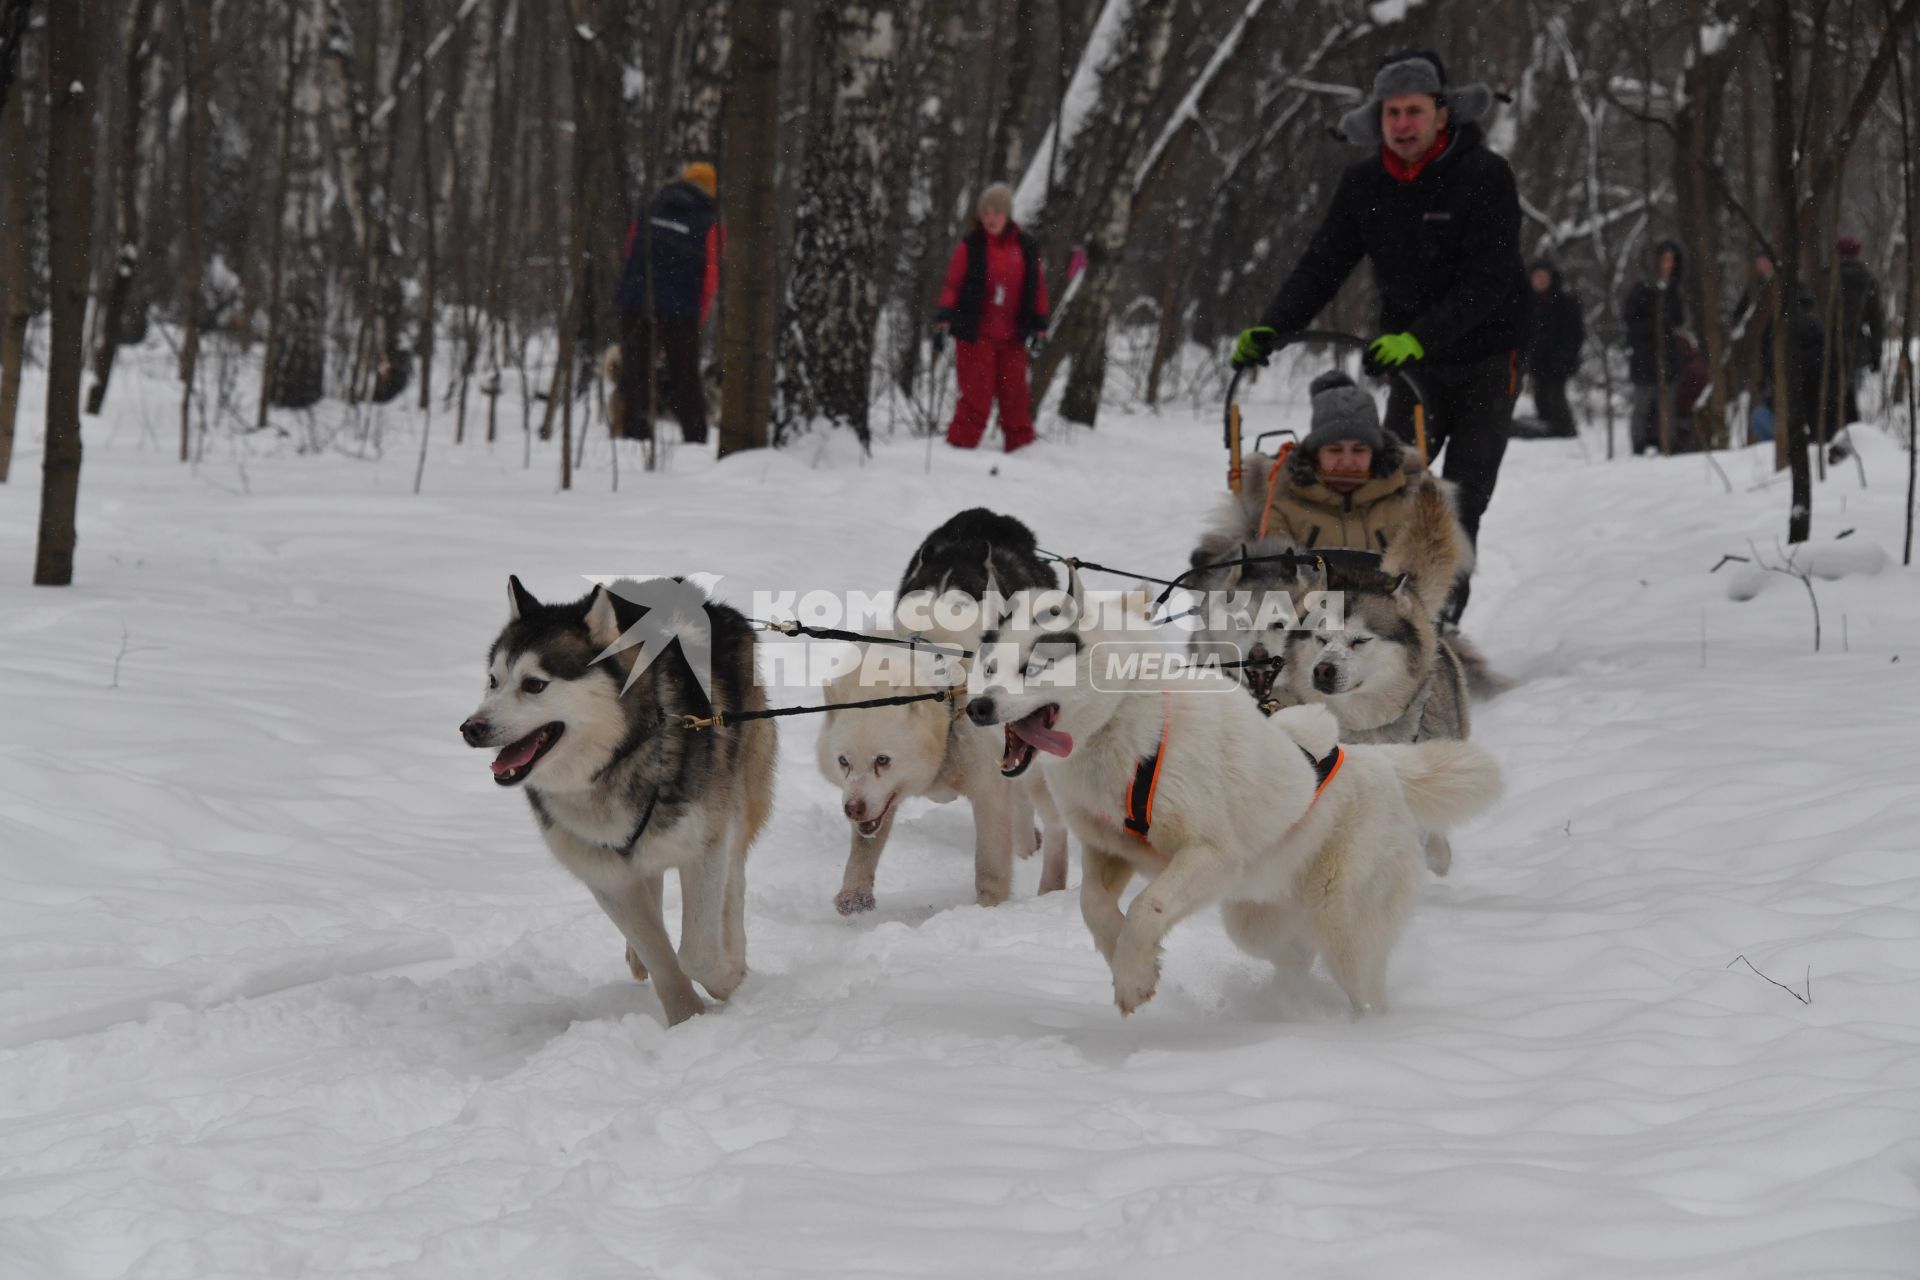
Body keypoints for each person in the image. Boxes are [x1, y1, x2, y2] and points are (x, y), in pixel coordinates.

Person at [1231, 49, 1527, 626]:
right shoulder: (1365, 183)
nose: (1403, 125)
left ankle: (1439, 618)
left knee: (1462, 495)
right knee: (1387, 484)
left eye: (1414, 111)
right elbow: (1323, 263)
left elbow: (1491, 278)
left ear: (1443, 115)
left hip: (1488, 354)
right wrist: (1275, 324)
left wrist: (1422, 335)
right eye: (1392, 113)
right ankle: (1371, 604)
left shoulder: (1485, 175)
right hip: (1412, 362)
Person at [935, 184, 1051, 453]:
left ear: (1007, 214)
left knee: (1015, 399)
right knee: (977, 396)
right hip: (976, 334)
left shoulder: (1026, 247)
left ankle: (1023, 452)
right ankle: (959, 452)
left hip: (1012, 336)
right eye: (986, 212)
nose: (991, 217)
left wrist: (1040, 324)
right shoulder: (971, 247)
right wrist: (944, 317)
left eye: (997, 212)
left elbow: (1037, 288)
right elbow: (952, 285)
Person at [613, 162, 722, 443]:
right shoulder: (710, 221)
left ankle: (635, 436)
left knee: (636, 371)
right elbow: (711, 274)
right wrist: (699, 313)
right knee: (685, 376)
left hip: (635, 300)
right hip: (680, 308)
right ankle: (695, 437)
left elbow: (630, 249)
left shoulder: (649, 207)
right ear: (711, 190)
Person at [1622, 238, 1686, 454]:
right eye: (1665, 259)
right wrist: (1655, 325)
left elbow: (1678, 319)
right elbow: (1632, 322)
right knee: (1642, 406)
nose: (1668, 264)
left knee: (1667, 406)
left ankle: (1668, 443)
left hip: (1668, 359)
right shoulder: (1641, 290)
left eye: (1672, 260)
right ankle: (1638, 446)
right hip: (1644, 359)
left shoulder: (1674, 290)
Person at [1521, 259, 1583, 438]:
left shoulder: (1564, 303)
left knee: (1556, 399)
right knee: (1541, 399)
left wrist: (1564, 357)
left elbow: (1574, 335)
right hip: (1535, 362)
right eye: (1537, 277)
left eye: (1543, 276)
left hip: (1558, 362)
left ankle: (1563, 432)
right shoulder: (1526, 302)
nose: (1540, 281)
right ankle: (1548, 431)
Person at [1834, 235, 1884, 421]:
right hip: (1857, 347)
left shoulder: (1828, 277)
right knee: (1851, 394)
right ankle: (1850, 426)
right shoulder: (1867, 279)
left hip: (1829, 345)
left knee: (1832, 395)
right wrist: (1876, 354)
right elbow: (1876, 321)